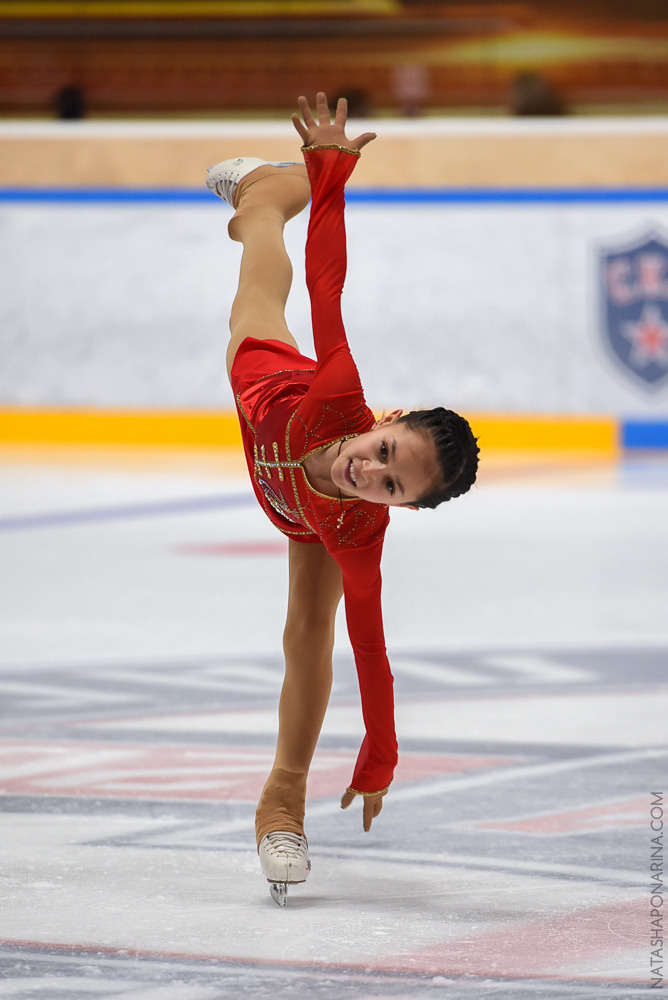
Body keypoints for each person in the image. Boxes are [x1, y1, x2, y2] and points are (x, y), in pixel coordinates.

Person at [206, 93, 479, 905]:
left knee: (309, 635)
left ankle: (282, 803)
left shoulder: (356, 532)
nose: (370, 473)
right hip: (272, 392)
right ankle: (266, 192)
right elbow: (328, 281)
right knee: (263, 279)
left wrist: (380, 757)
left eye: (391, 486)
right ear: (382, 422)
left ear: (399, 508)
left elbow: (372, 653)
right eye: (384, 453)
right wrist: (328, 174)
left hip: (301, 514)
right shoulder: (342, 393)